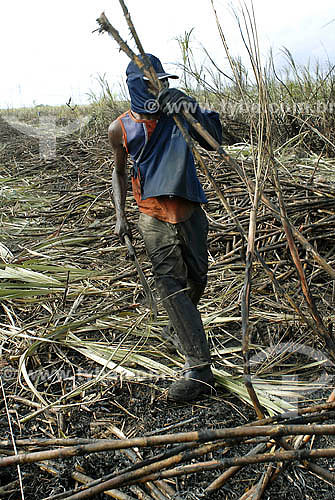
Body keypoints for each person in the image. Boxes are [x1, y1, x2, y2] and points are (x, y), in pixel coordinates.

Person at [109, 54, 222, 402]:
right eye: (150, 83)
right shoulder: (121, 128)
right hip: (152, 215)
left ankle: (182, 328)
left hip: (190, 209)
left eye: (162, 80)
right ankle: (198, 368)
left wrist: (191, 109)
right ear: (135, 86)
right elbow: (118, 172)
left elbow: (215, 142)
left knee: (196, 279)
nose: (159, 87)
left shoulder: (178, 114)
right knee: (169, 284)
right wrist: (120, 214)